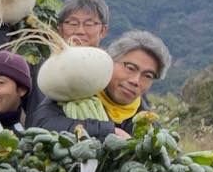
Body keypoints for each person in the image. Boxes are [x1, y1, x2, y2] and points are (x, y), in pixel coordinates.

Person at [0, 0, 113, 114]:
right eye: (72, 23)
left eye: (89, 24)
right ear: (60, 29)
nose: (80, 31)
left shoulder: (112, 72)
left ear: (103, 31)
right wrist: (5, 22)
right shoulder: (42, 67)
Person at [27, 31, 170, 139]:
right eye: (130, 68)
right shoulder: (76, 90)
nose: (135, 80)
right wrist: (109, 132)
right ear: (111, 61)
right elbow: (42, 123)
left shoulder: (146, 122)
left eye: (148, 76)